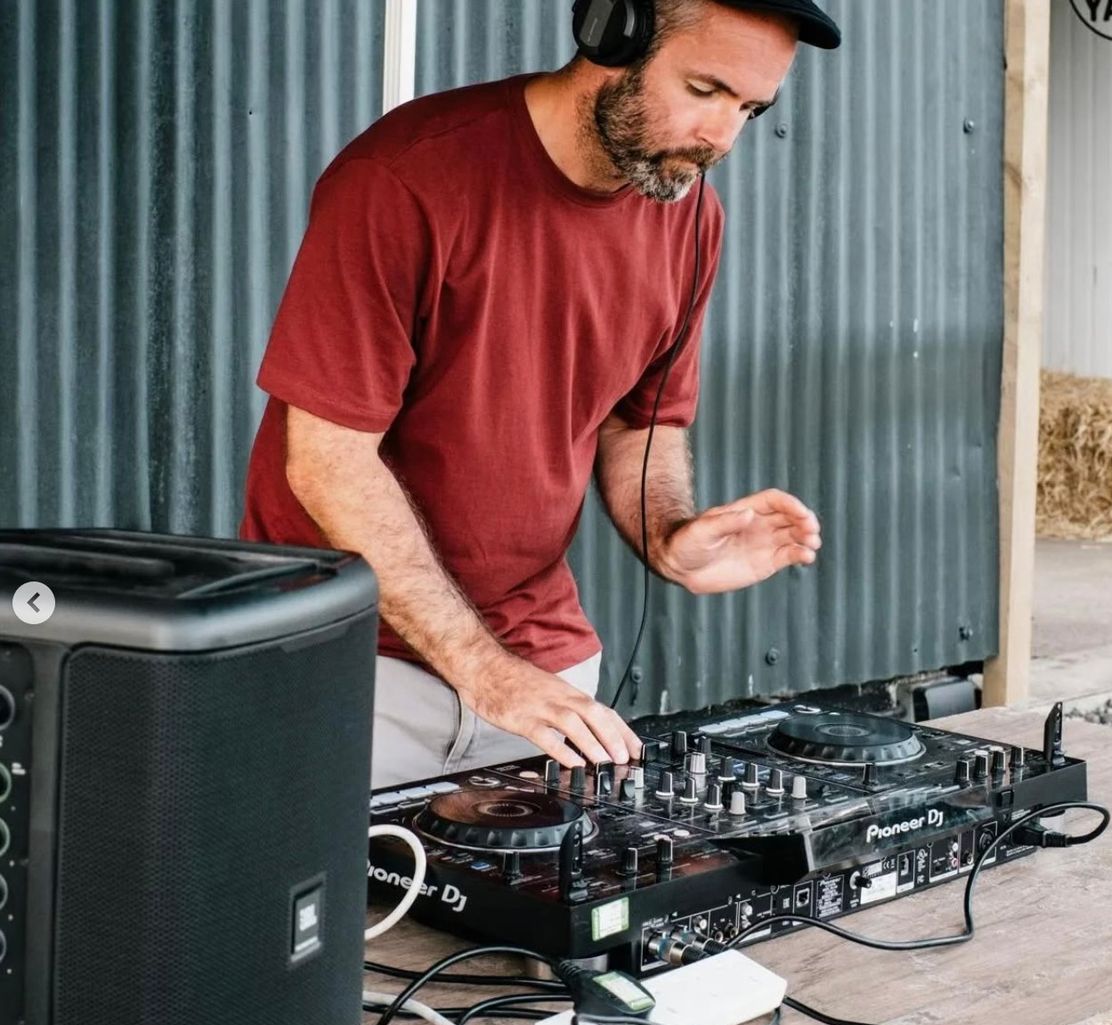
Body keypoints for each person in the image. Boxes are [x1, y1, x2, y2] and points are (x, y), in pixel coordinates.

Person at [240, 0, 837, 788]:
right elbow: (326, 460)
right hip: (352, 668)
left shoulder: (691, 218)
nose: (722, 139)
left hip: (546, 681)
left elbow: (637, 425)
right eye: (703, 89)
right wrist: (485, 672)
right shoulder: (402, 180)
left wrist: (668, 533)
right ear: (610, 34)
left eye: (750, 108)